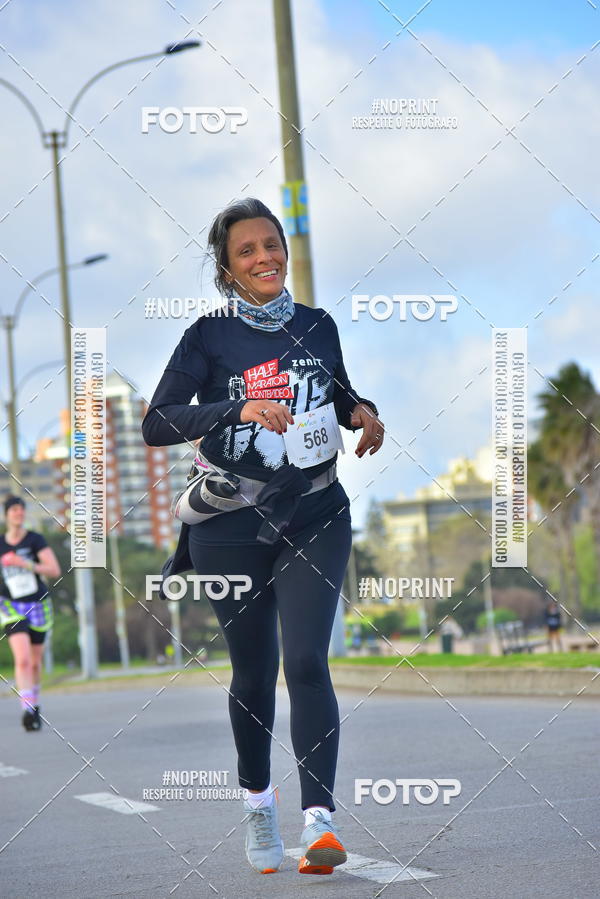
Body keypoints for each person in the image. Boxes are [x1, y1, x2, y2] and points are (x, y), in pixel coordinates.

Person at [142, 198, 384, 877]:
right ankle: (258, 802)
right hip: (230, 523)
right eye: (246, 251)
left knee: (307, 659)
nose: (264, 257)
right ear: (227, 268)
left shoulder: (317, 325)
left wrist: (363, 413)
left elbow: (335, 397)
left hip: (314, 510)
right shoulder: (207, 337)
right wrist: (238, 406)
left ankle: (321, 824)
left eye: (270, 244)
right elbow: (158, 422)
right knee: (254, 671)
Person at [0, 496, 61, 730]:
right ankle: (26, 709)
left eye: (21, 510)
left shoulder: (35, 540)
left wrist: (24, 563)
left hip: (38, 604)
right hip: (10, 605)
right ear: (7, 515)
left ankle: (34, 705)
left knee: (35, 663)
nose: (19, 513)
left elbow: (53, 570)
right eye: (14, 510)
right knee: (23, 659)